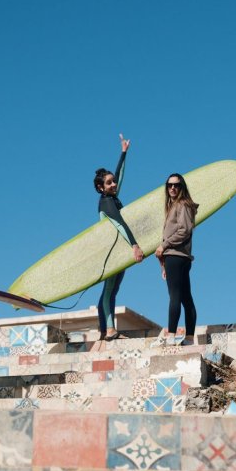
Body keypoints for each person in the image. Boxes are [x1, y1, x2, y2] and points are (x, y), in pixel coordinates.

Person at [93, 134, 144, 341]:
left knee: (113, 291)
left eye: (113, 182)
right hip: (111, 252)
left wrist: (123, 152)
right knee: (108, 292)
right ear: (100, 188)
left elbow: (120, 176)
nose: (113, 184)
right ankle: (108, 330)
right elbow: (119, 224)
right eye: (109, 183)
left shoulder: (112, 197)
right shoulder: (106, 202)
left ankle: (108, 330)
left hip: (119, 251)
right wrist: (135, 245)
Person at [154, 173, 199, 347]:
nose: (172, 188)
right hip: (175, 257)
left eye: (176, 185)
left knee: (175, 296)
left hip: (177, 256)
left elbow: (184, 231)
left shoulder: (183, 205)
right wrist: (164, 264)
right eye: (169, 185)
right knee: (186, 298)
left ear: (182, 187)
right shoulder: (173, 206)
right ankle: (188, 338)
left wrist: (164, 245)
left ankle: (171, 336)